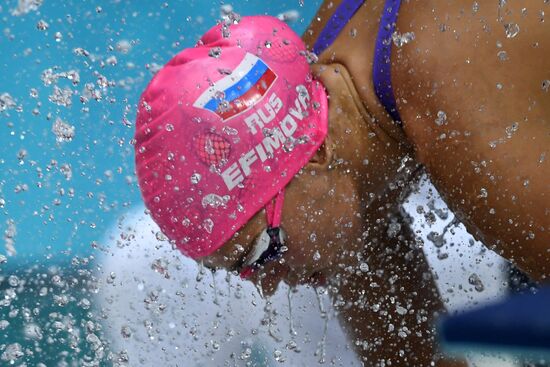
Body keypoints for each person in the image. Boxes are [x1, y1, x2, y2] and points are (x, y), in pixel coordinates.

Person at [134, 1, 548, 365]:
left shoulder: (460, 118)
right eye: (242, 272)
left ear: (313, 155)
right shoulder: (323, 102)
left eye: (260, 254)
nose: (266, 285)